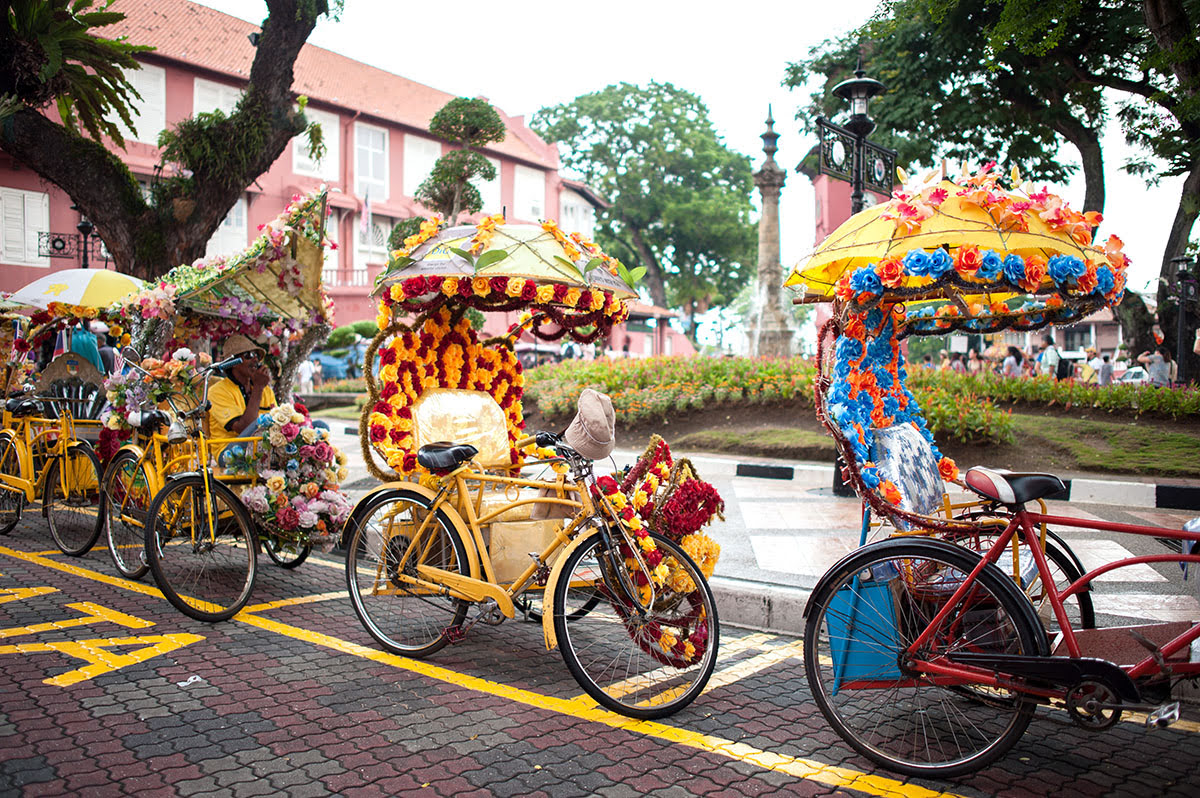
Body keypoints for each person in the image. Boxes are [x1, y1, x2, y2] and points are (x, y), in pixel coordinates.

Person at [208, 335, 276, 437]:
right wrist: (258, 388)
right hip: (228, 449)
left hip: (260, 447)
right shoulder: (217, 391)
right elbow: (244, 429)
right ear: (234, 362)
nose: (255, 359)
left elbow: (278, 421)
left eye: (256, 355)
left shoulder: (265, 390)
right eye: (248, 355)